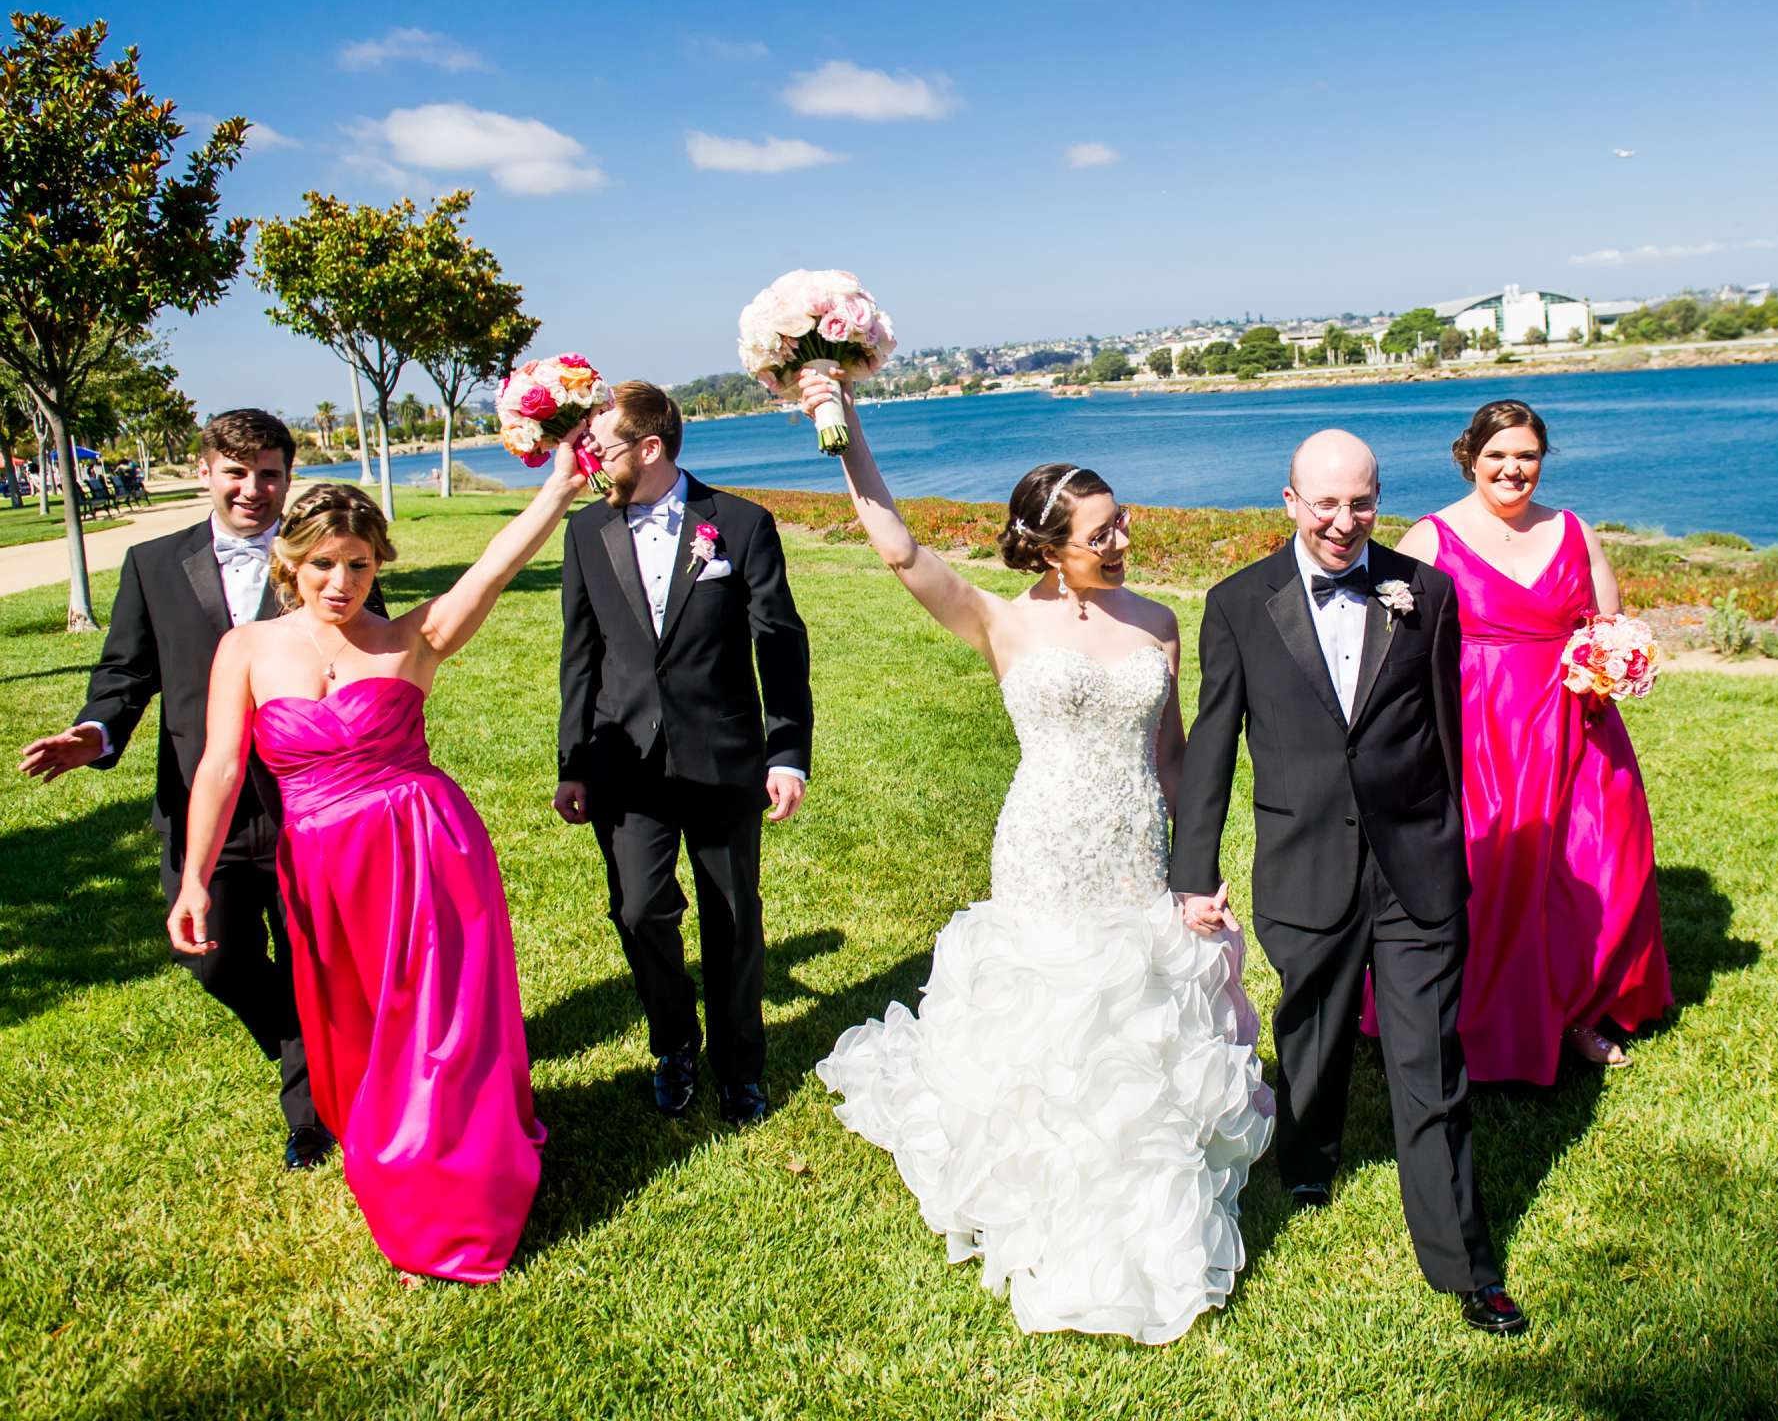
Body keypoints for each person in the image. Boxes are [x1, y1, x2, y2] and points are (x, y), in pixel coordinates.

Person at [799, 370, 1272, 1346]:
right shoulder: (999, 618)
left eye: (1123, 525)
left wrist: (1197, 870)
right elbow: (895, 547)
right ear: (1049, 545)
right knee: (1051, 1022)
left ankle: (1146, 1203)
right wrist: (838, 429)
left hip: (1135, 845)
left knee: (1136, 1027)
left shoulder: (1157, 621)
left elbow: (1175, 754)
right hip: (1046, 850)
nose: (1123, 543)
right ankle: (1040, 1195)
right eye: (1101, 534)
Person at [171, 446, 589, 1282]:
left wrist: (557, 488)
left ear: (377, 565)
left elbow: (497, 567)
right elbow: (219, 767)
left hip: (426, 852)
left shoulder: (413, 637)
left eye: (359, 564)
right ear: (291, 562)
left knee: (437, 1026)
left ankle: (459, 1197)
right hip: (324, 872)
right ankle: (388, 1143)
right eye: (324, 562)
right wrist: (194, 878)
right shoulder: (245, 648)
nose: (341, 580)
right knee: (360, 1031)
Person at [1171, 429, 1527, 1337]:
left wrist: (1445, 849)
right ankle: (1308, 1152)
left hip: (1414, 868)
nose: (1343, 521)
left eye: (1360, 503)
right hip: (1304, 863)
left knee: (1428, 1064)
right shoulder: (1238, 604)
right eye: (1324, 503)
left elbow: (1442, 734)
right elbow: (1212, 746)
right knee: (1312, 1026)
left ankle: (1464, 1264)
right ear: (1289, 501)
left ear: (1380, 501)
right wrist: (1193, 871)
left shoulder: (1429, 594)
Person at [20, 410, 375, 1170]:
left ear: (290, 476)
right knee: (214, 958)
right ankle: (313, 1045)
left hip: (307, 805)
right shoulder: (153, 563)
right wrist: (95, 732)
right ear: (206, 470)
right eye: (238, 472)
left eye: (271, 473)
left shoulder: (328, 560)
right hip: (202, 805)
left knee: (321, 958)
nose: (254, 489)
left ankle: (313, 1116)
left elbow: (372, 656)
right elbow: (125, 673)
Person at [1366, 400, 1671, 1082]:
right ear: (1470, 456)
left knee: (1597, 868)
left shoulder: (1574, 532)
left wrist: (1618, 660)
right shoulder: (1430, 538)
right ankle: (1464, 1016)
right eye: (1498, 455)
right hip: (1481, 735)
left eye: (1527, 456)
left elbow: (1608, 625)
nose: (1513, 469)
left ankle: (1579, 1010)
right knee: (1493, 876)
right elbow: (1389, 650)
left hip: (1576, 730)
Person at [554, 382, 812, 1126]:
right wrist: (573, 762)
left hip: (724, 754)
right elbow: (580, 655)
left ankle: (740, 1067)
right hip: (624, 762)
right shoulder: (584, 534)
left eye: (600, 449)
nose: (590, 462)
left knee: (732, 916)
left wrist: (787, 752)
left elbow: (780, 644)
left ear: (650, 448)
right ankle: (673, 1042)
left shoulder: (740, 523)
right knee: (638, 911)